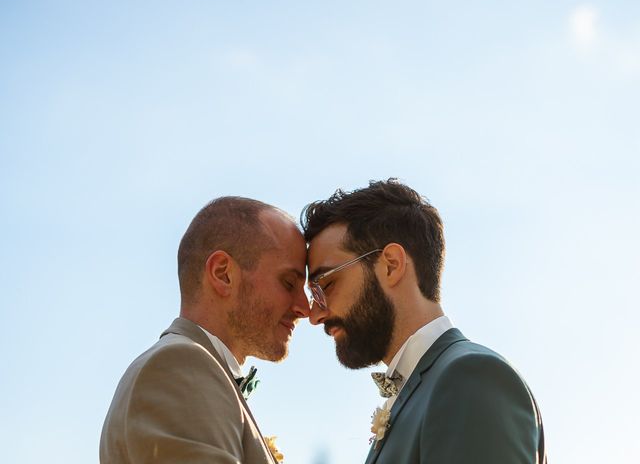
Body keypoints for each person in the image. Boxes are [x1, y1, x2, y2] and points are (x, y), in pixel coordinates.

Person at [302, 179, 546, 464]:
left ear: (392, 265)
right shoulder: (429, 387)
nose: (314, 315)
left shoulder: (470, 378)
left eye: (325, 285)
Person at [100, 197, 309, 464]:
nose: (306, 308)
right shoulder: (179, 366)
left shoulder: (195, 369)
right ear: (223, 274)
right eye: (289, 283)